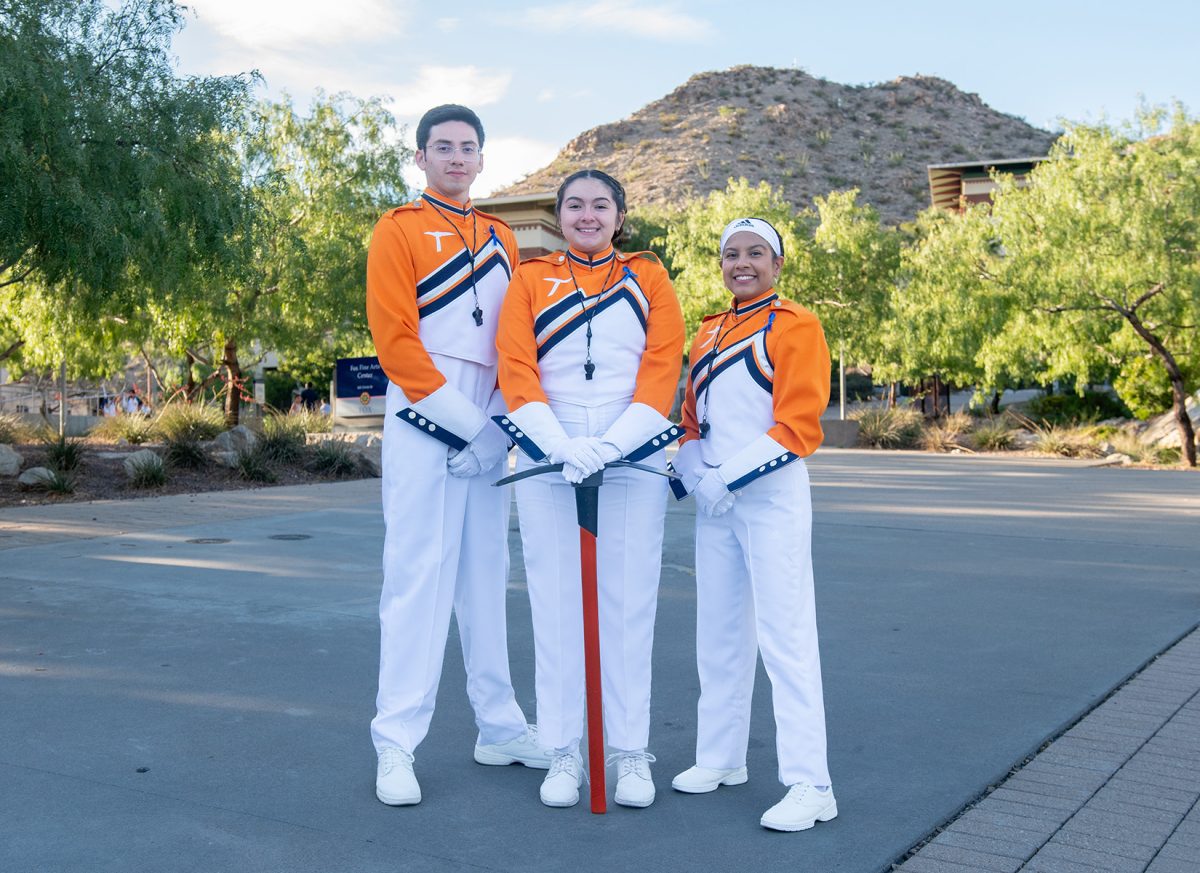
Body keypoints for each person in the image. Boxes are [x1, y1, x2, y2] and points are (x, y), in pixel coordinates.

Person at [365, 104, 547, 807]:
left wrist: (500, 424)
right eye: (442, 147)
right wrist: (469, 425)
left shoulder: (502, 235)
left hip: (489, 419)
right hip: (424, 411)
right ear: (420, 158)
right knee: (417, 577)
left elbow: (513, 340)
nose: (456, 158)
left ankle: (498, 725)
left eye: (467, 147)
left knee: (485, 576)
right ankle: (395, 742)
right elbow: (396, 340)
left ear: (481, 158)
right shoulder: (396, 230)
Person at [496, 169, 685, 809]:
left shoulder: (648, 276)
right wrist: (561, 445)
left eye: (600, 205)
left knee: (629, 601)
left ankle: (629, 751)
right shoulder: (529, 278)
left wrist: (613, 443)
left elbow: (662, 370)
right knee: (554, 605)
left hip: (630, 453)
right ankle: (562, 751)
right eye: (574, 205)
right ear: (558, 216)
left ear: (620, 215)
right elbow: (516, 368)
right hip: (549, 452)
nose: (587, 215)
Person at [668, 217, 836, 832]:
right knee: (717, 634)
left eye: (756, 253)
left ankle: (811, 783)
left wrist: (724, 476)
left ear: (778, 262)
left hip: (769, 497)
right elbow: (691, 416)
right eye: (731, 254)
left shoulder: (797, 325)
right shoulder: (707, 331)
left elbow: (798, 425)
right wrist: (692, 469)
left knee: (785, 639)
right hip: (717, 503)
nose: (742, 263)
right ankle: (721, 757)